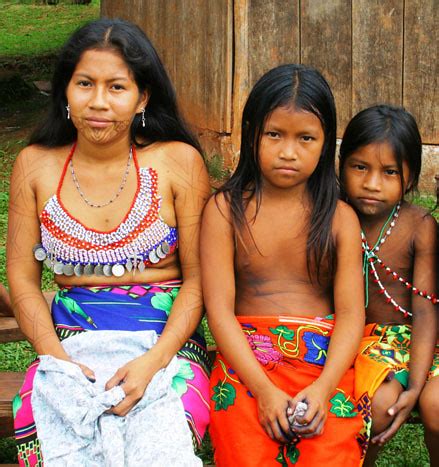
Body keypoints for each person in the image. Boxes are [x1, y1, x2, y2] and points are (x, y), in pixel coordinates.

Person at [7, 18, 211, 466]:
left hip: (167, 349)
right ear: (64, 91)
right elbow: (22, 279)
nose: (98, 102)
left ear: (143, 96)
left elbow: (200, 281)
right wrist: (58, 363)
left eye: (117, 87)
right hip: (69, 350)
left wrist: (155, 361)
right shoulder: (34, 167)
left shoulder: (179, 163)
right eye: (85, 84)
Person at [201, 64, 366, 466]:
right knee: (244, 449)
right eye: (274, 134)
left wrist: (325, 389)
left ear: (326, 144)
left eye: (306, 138)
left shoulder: (339, 218)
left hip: (324, 362)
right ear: (251, 131)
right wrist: (263, 389)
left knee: (329, 452)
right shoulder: (225, 211)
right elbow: (219, 312)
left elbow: (350, 315)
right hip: (246, 364)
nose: (288, 151)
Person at [339, 104, 438, 466]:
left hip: (416, 337)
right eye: (360, 167)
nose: (371, 183)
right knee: (378, 407)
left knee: (437, 406)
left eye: (389, 172)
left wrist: (415, 384)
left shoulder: (418, 225)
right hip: (358, 337)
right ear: (341, 164)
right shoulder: (333, 214)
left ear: (410, 178)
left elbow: (426, 307)